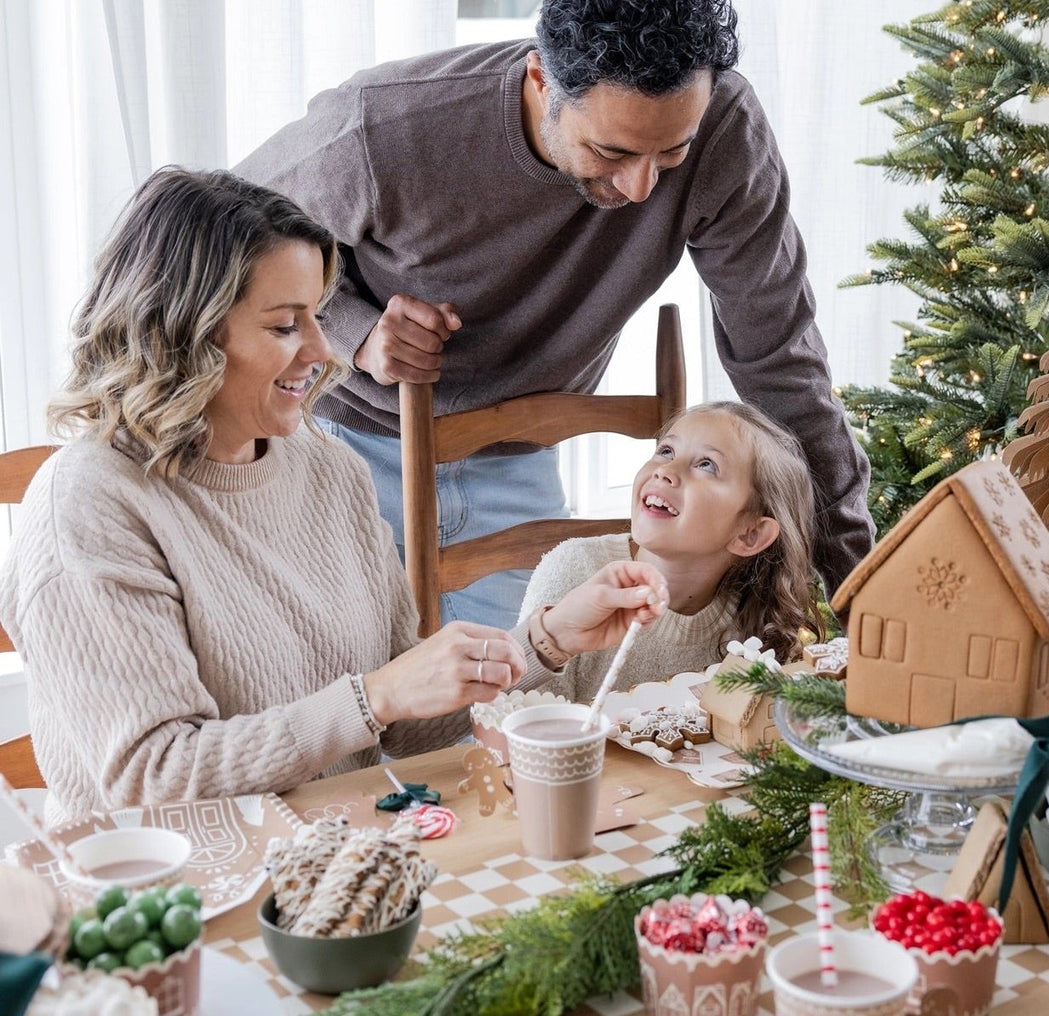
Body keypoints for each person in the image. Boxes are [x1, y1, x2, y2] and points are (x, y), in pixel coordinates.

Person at [0, 167, 666, 827]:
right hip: (173, 898)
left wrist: (546, 639)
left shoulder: (328, 467)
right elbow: (151, 779)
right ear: (183, 335)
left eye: (318, 317)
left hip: (343, 853)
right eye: (287, 325)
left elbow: (406, 724)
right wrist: (373, 699)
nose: (326, 351)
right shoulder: (90, 504)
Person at [234, 0, 873, 631]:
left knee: (522, 707)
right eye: (612, 152)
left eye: (672, 154)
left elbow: (779, 353)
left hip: (521, 453)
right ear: (542, 80)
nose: (642, 189)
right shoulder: (382, 125)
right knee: (354, 705)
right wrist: (356, 333)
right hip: (344, 451)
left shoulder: (725, 128)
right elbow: (219, 244)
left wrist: (859, 592)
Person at [519, 401, 822, 702]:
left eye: (706, 464)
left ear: (750, 533)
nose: (665, 471)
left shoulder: (752, 629)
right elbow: (516, 722)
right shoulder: (576, 568)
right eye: (666, 451)